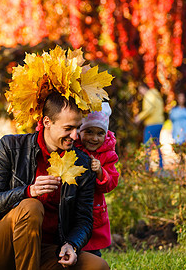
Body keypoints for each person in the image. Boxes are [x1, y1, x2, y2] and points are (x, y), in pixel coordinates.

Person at [0, 47, 112, 270]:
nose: (75, 136)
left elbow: (84, 220)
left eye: (77, 128)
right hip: (2, 252)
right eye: (67, 128)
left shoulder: (82, 163)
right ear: (47, 122)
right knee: (30, 207)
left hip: (46, 250)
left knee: (98, 266)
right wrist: (28, 191)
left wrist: (72, 245)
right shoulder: (11, 147)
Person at [74, 101, 119, 257]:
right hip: (73, 208)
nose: (94, 138)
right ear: (80, 131)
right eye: (89, 131)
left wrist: (100, 172)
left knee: (92, 252)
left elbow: (111, 182)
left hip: (94, 210)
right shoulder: (73, 148)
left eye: (100, 133)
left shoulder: (107, 154)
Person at [134, 83, 165, 170]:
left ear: (144, 88)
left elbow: (149, 109)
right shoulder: (156, 95)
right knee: (157, 144)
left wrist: (139, 118)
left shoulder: (149, 96)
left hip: (152, 124)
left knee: (147, 145)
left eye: (141, 90)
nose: (141, 93)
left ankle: (146, 168)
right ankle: (161, 166)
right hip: (159, 122)